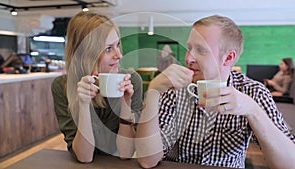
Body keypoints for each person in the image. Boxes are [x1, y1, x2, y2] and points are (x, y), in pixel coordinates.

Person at [135, 15, 295, 168]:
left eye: (201, 50)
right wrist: (152, 94)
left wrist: (253, 111)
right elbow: (147, 160)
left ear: (228, 58)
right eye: (189, 48)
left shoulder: (253, 93)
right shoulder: (174, 88)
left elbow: (289, 164)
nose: (189, 58)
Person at [51, 11, 143, 163]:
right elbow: (84, 157)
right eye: (108, 48)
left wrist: (126, 104)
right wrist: (84, 105)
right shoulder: (62, 86)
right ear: (86, 54)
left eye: (118, 45)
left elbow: (126, 153)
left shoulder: (132, 80)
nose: (119, 55)